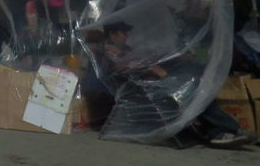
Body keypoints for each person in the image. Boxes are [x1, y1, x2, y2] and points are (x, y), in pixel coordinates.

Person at [102, 21, 254, 149]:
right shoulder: (110, 51)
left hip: (151, 83)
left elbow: (140, 60)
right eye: (123, 33)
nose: (126, 36)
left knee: (197, 89)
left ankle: (219, 131)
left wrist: (165, 59)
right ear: (113, 34)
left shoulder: (125, 49)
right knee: (191, 93)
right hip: (140, 88)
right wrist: (150, 68)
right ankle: (224, 130)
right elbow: (118, 69)